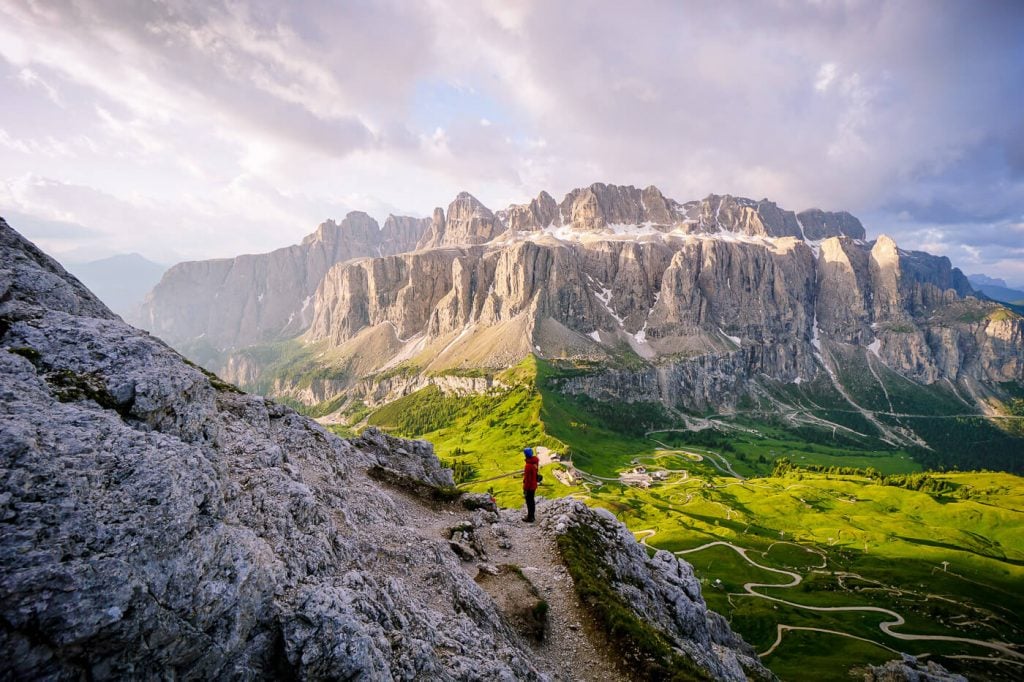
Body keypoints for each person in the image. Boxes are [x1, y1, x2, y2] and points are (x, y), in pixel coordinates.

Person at [522, 447, 540, 522]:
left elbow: (527, 479)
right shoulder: (535, 462)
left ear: (526, 455)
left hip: (529, 487)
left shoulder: (528, 466)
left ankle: (530, 517)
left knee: (529, 502)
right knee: (531, 501)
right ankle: (532, 516)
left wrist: (525, 488)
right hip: (534, 484)